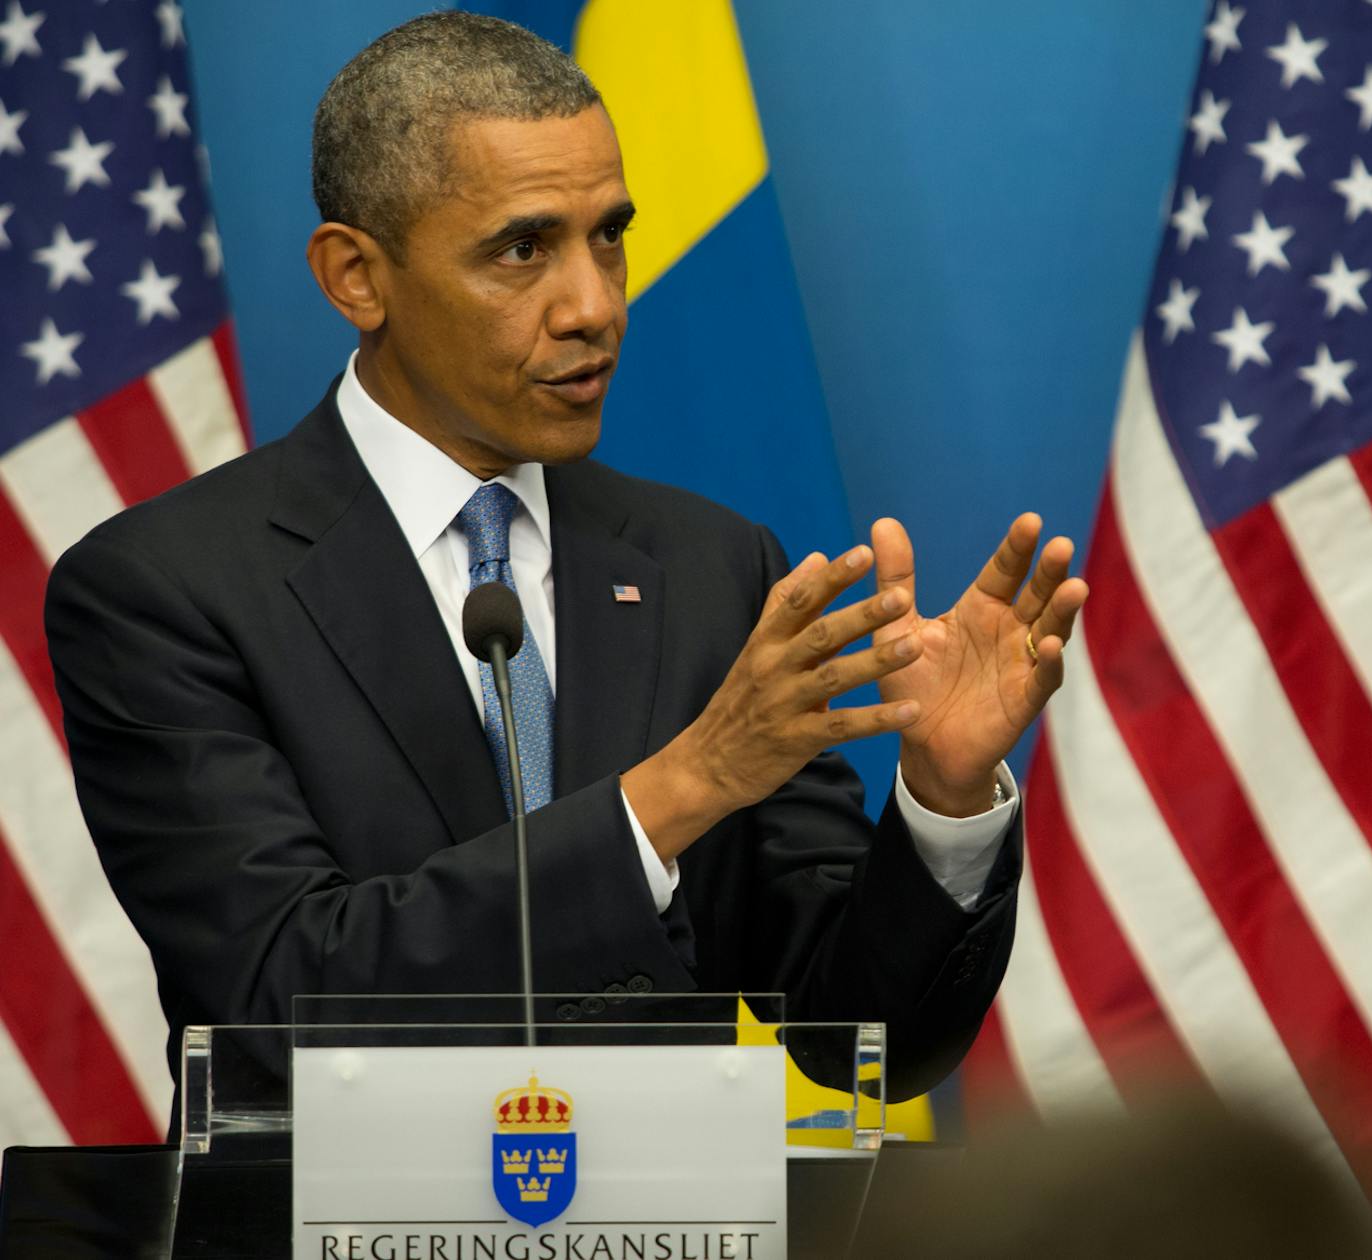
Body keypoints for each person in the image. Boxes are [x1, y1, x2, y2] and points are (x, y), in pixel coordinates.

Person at [43, 12, 1086, 1103]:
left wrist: (943, 798)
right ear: (357, 276)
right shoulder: (166, 589)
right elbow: (274, 1001)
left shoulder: (709, 565)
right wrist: (679, 789)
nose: (594, 306)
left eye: (609, 236)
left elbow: (860, 1039)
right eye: (522, 248)